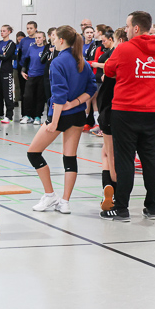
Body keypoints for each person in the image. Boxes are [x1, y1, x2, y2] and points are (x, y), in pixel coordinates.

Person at [101, 11, 155, 222]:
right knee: (150, 159)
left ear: (136, 28)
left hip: (125, 111)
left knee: (125, 160)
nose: (126, 29)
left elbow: (109, 70)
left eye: (128, 26)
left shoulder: (124, 48)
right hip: (152, 111)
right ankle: (153, 206)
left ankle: (122, 208)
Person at [29, 26, 98, 214]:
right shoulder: (82, 61)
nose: (52, 40)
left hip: (60, 116)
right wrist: (75, 103)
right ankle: (65, 201)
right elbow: (91, 89)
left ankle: (50, 194)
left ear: (61, 40)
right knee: (70, 157)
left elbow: (59, 95)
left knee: (33, 153)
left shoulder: (58, 62)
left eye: (54, 37)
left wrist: (54, 122)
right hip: (77, 115)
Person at [92, 28, 125, 210]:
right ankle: (109, 188)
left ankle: (113, 191)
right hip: (128, 113)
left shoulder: (115, 58)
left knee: (110, 155)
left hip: (112, 111)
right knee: (110, 153)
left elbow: (106, 76)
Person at [19, 31, 48, 125]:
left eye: (39, 38)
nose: (37, 40)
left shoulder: (46, 49)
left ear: (44, 38)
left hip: (42, 76)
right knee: (27, 96)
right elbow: (26, 60)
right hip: (31, 75)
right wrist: (23, 70)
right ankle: (27, 115)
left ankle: (37, 116)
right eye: (36, 38)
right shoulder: (31, 48)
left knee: (39, 97)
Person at [0, 25, 16, 124]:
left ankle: (9, 115)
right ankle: (0, 113)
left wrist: (0, 56)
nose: (2, 32)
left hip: (6, 71)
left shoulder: (11, 44)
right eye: (1, 31)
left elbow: (6, 57)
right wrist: (0, 55)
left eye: (4, 31)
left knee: (8, 94)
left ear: (9, 32)